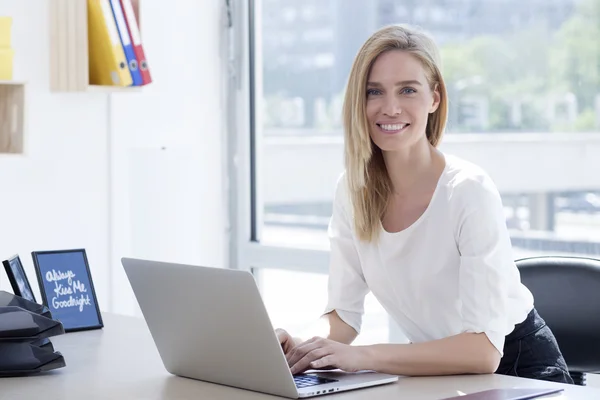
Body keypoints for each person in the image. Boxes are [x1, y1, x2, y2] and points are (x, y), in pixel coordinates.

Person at [275, 24, 573, 384]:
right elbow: (343, 315)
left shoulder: (467, 190)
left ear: (434, 99)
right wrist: (304, 345)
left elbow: (482, 352)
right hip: (438, 371)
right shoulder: (353, 191)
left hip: (518, 372)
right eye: (374, 91)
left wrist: (361, 357)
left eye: (408, 90)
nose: (390, 107)